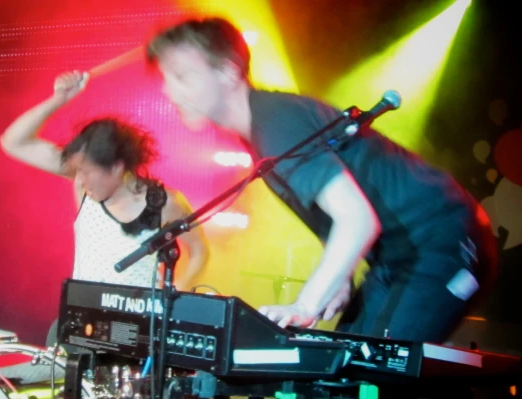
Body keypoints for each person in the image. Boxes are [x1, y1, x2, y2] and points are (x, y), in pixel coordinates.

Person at [142, 17, 498, 343]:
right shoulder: (262, 134)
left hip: (444, 243)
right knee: (338, 371)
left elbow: (357, 219)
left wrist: (305, 304)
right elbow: (339, 211)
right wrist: (339, 276)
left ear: (227, 72)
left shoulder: (275, 120)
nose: (170, 93)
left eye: (182, 76)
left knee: (369, 375)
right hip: (399, 257)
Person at [1, 71, 210, 291]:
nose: (79, 178)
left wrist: (172, 300)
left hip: (136, 322)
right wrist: (58, 101)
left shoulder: (166, 202)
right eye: (77, 171)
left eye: (87, 172)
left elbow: (199, 251)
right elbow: (13, 142)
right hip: (83, 315)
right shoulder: (82, 184)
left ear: (117, 167)